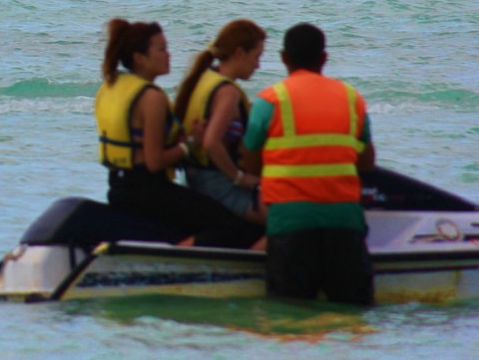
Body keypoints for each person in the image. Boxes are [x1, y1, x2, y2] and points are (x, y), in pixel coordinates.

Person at [96, 19, 264, 249]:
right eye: (161, 49)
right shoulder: (151, 98)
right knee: (229, 227)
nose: (169, 55)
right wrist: (190, 145)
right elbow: (154, 162)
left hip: (119, 186)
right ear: (139, 58)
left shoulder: (113, 85)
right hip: (146, 190)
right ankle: (176, 260)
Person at [240, 23, 375, 305]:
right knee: (352, 313)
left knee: (290, 315)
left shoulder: (269, 101)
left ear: (284, 58)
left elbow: (249, 164)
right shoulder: (352, 99)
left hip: (290, 225)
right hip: (344, 223)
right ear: (324, 58)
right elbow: (367, 163)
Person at [174, 20, 267, 224]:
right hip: (218, 186)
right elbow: (211, 142)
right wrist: (239, 178)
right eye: (256, 57)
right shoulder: (228, 92)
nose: (258, 65)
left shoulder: (204, 78)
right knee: (286, 218)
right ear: (240, 53)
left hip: (193, 180)